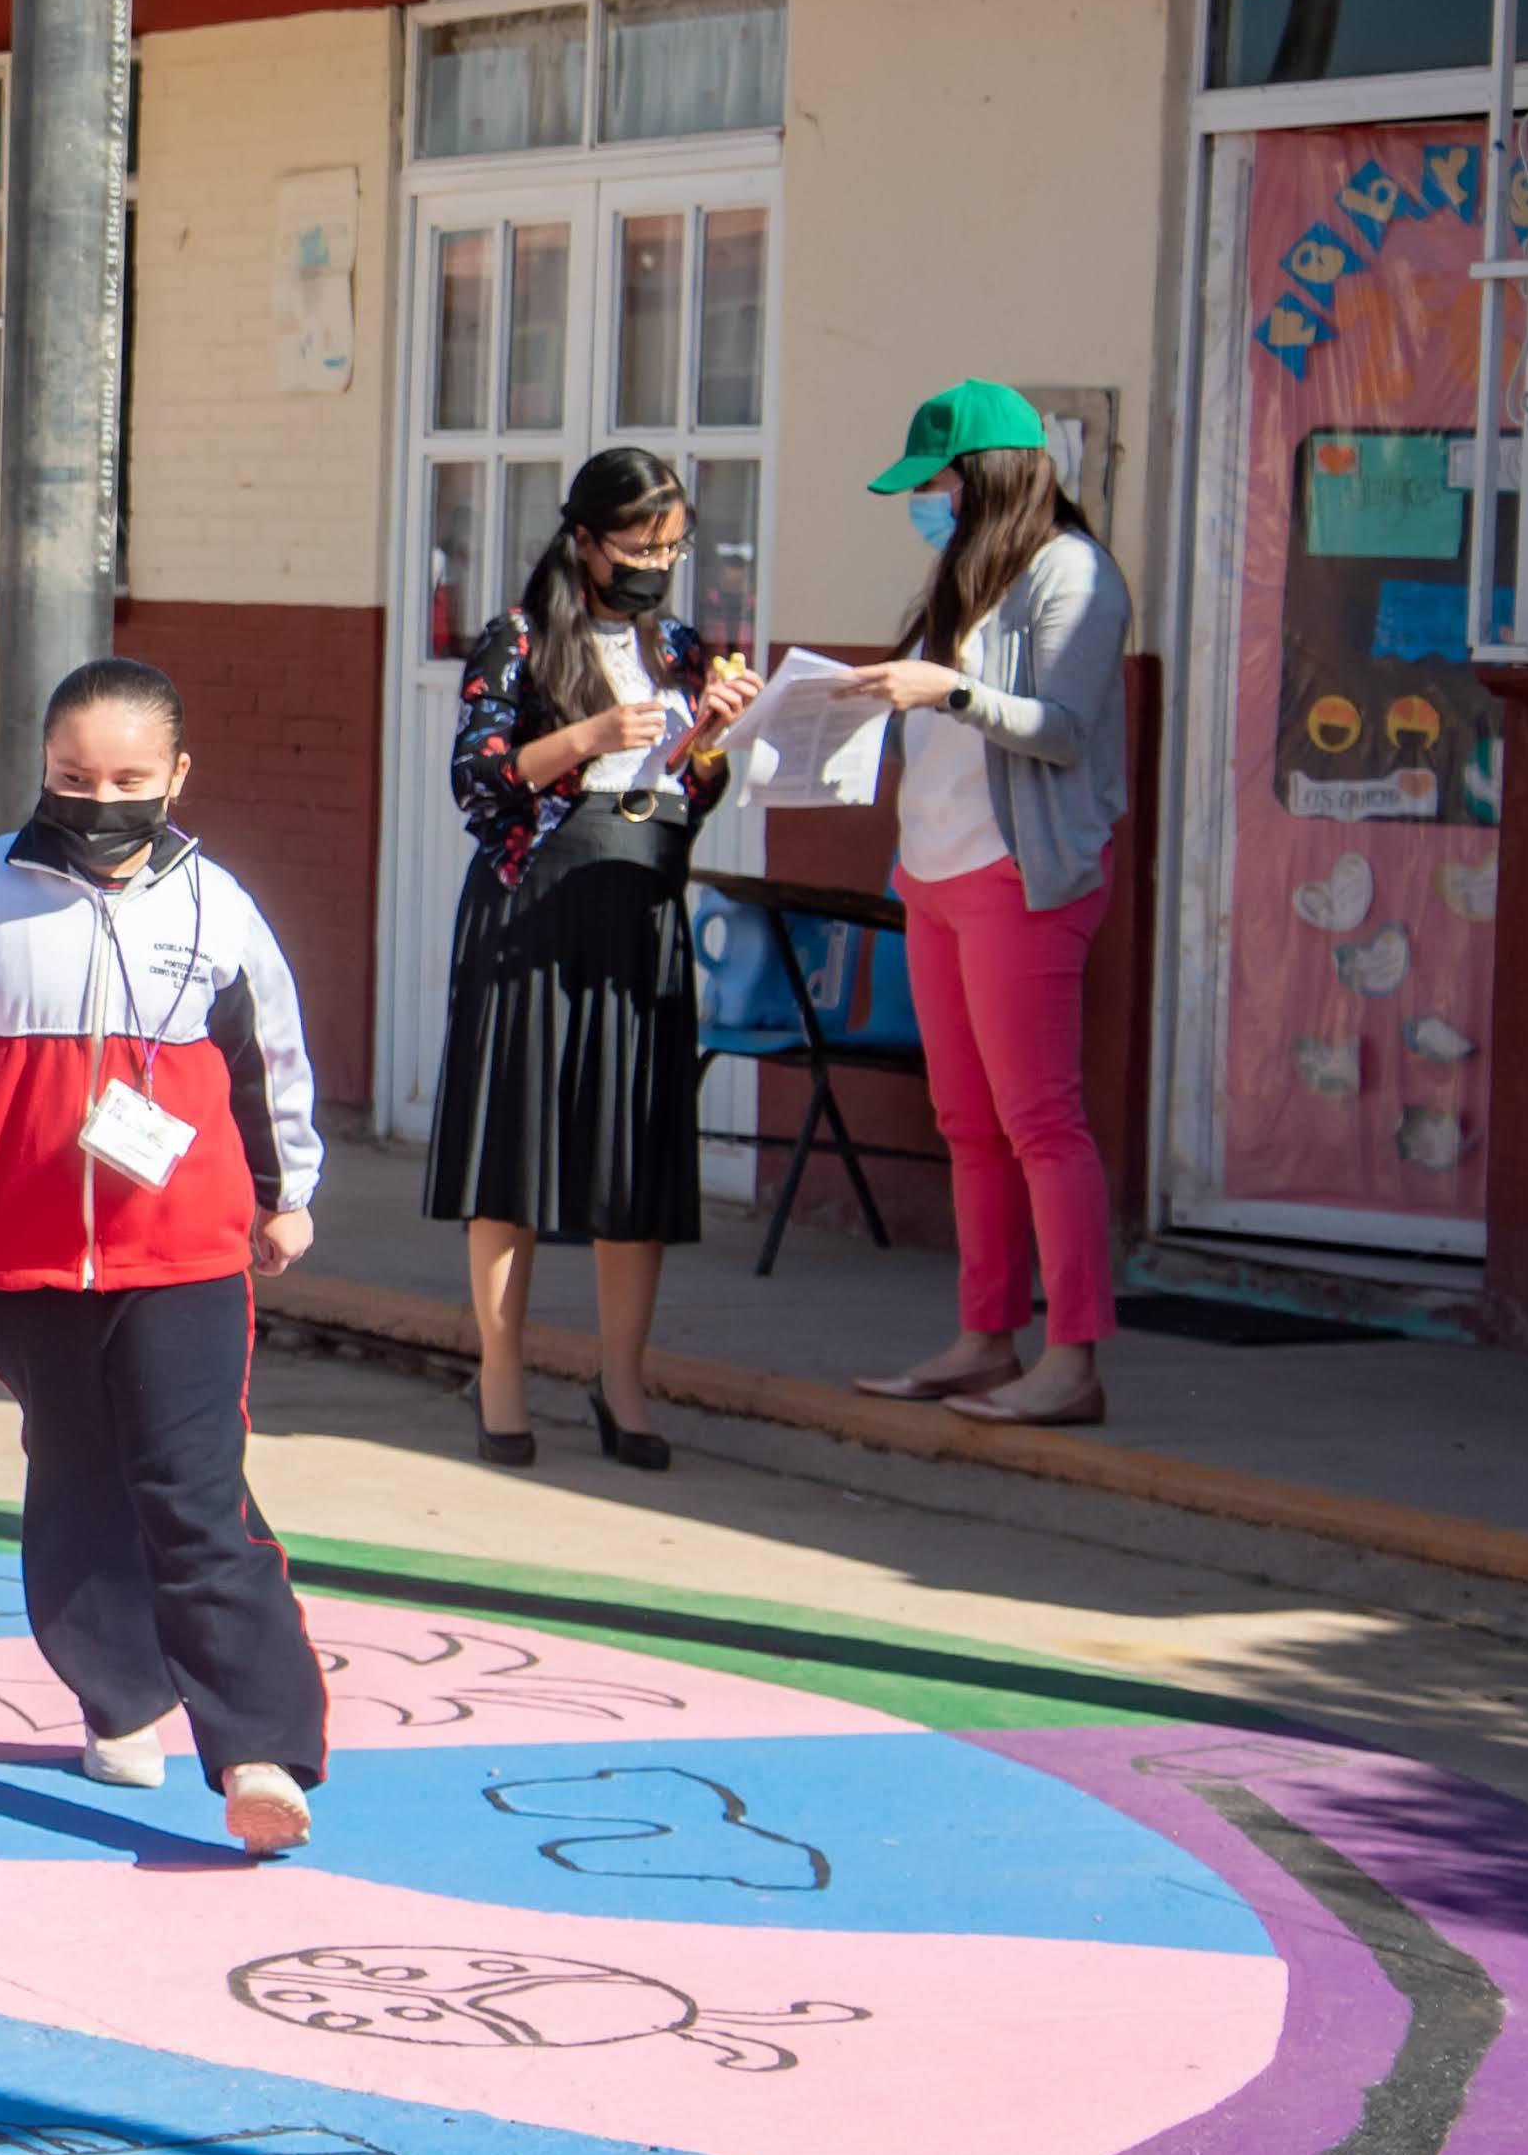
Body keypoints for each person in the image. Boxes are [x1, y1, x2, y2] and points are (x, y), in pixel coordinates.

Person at [0, 657, 332, 1860]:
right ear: (44, 770)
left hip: (181, 1253)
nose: (100, 796)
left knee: (191, 1492)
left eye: (128, 777)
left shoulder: (214, 905)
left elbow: (265, 1055)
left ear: (176, 775)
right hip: (17, 1257)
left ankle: (259, 1746)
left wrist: (287, 1197)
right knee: (74, 1479)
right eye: (75, 775)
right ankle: (118, 1693)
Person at [425, 446, 764, 1470]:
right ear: (583, 538)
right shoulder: (518, 640)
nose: (656, 563)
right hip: (535, 905)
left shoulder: (679, 645)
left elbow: (686, 796)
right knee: (514, 1149)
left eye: (672, 546)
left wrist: (707, 740)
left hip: (638, 905)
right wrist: (587, 734)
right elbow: (478, 783)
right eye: (638, 544)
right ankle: (498, 1373)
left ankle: (623, 1383)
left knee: (633, 1152)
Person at [848, 381, 1133, 1431]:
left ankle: (1072, 1357)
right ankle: (983, 1337)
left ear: (989, 476)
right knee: (965, 1122)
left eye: (933, 483)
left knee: (1039, 1121)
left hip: (1020, 880)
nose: (923, 502)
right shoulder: (963, 574)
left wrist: (948, 692)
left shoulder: (1073, 575)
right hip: (932, 877)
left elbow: (1060, 727)